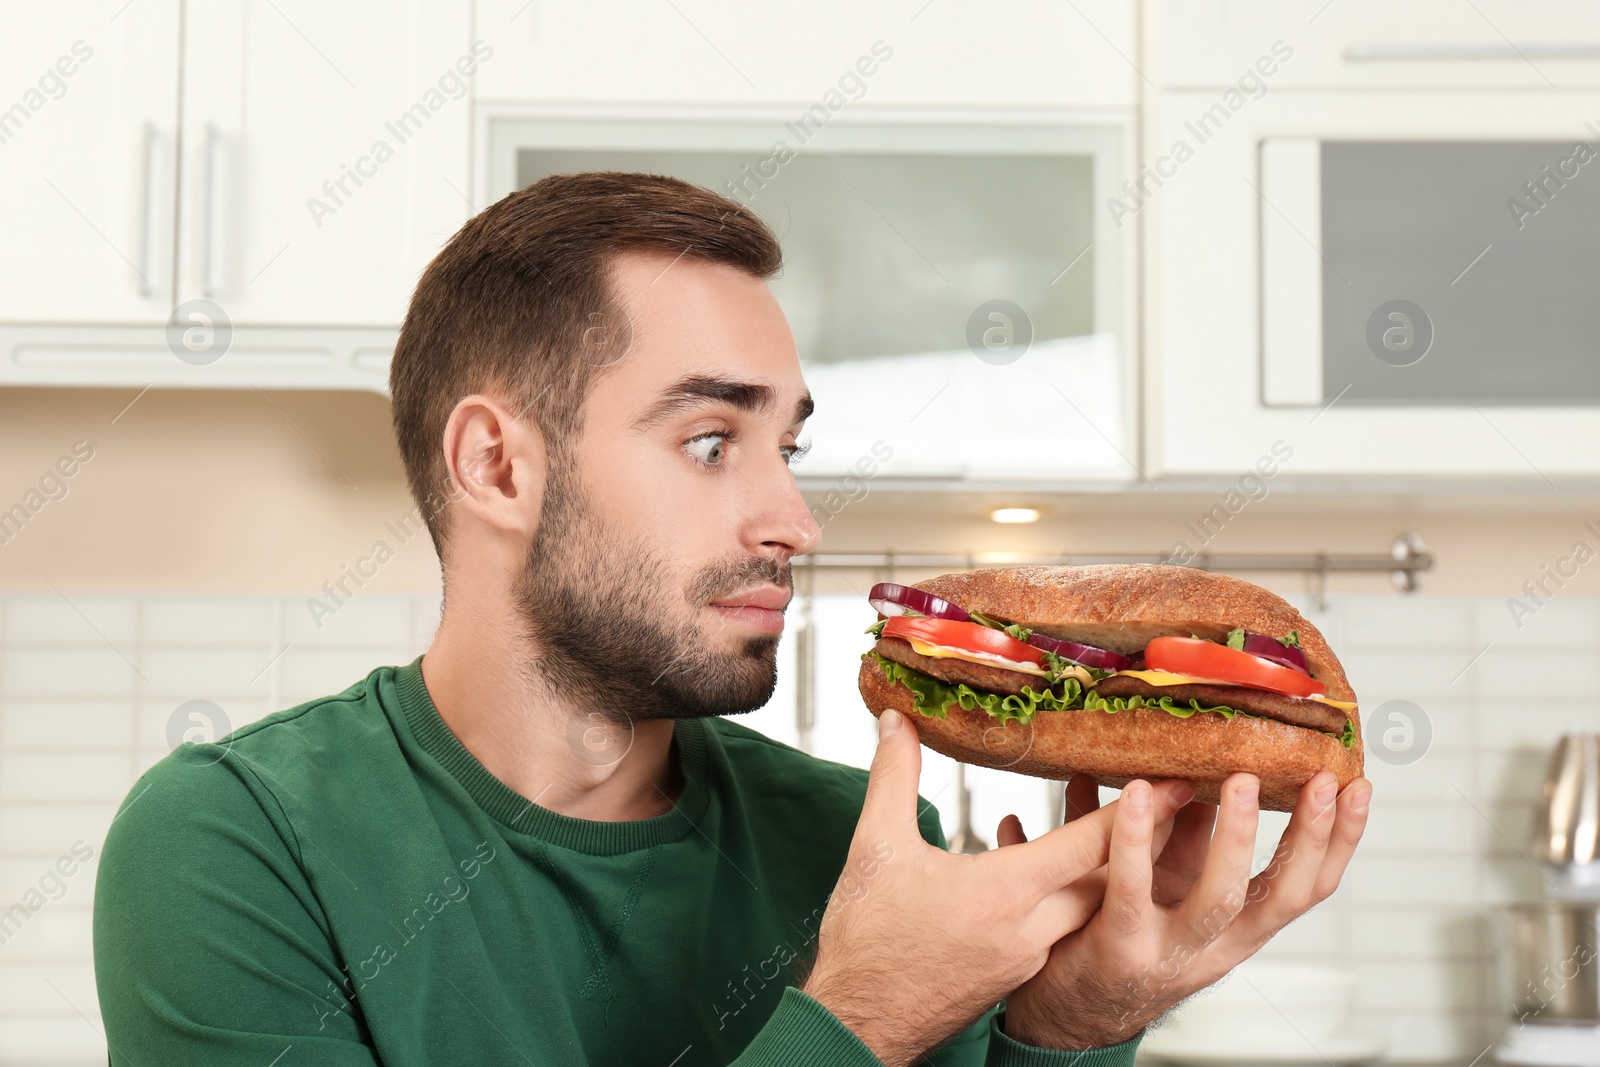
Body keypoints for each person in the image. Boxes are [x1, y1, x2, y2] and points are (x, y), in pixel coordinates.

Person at [93, 171, 1371, 1066]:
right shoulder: (237, 844)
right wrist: (855, 1019)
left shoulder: (869, 853)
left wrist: (1070, 1028)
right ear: (496, 467)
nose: (795, 520)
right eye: (710, 439)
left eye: (787, 442)